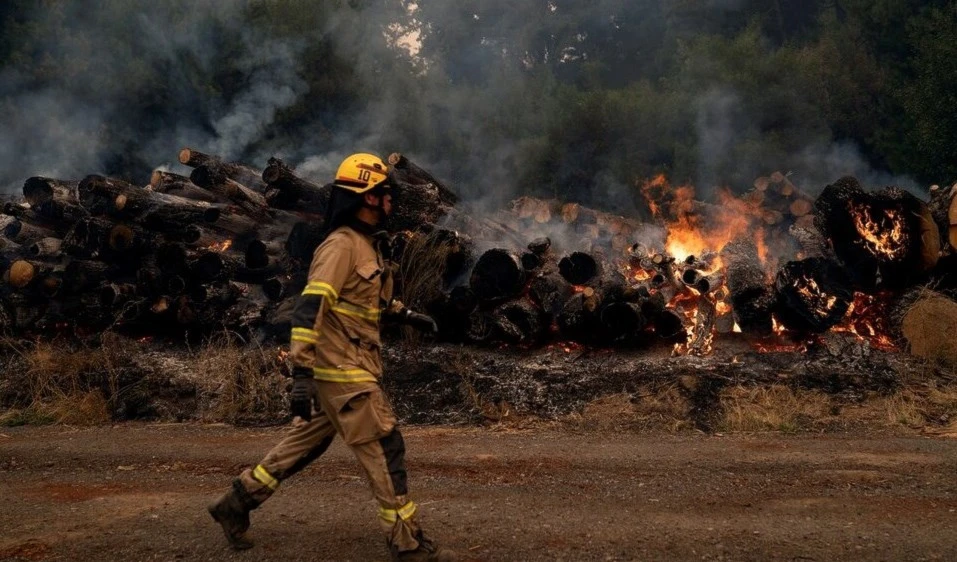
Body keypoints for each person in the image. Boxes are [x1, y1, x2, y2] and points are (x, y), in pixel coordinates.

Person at [208, 153, 455, 562]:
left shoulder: (367, 246)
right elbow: (309, 310)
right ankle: (406, 540)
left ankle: (234, 504)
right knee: (383, 444)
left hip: (347, 366)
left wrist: (406, 315)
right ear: (368, 198)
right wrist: (301, 372)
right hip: (342, 369)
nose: (392, 200)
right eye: (385, 193)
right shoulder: (340, 246)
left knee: (305, 445)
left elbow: (365, 300)